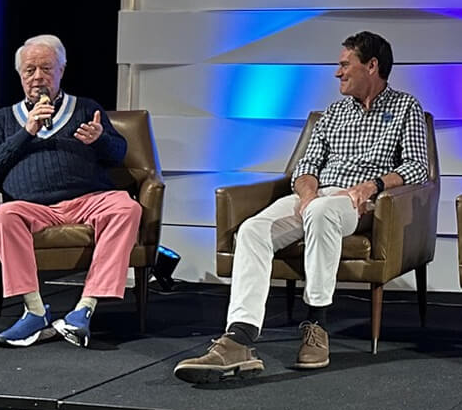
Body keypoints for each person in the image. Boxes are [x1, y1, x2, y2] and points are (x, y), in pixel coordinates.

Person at [175, 31, 430, 382]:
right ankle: (240, 338)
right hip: (316, 196)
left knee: (322, 212)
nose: (337, 73)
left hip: (359, 203)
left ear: (372, 66)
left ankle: (316, 324)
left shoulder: (405, 107)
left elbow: (417, 166)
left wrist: (371, 186)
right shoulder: (334, 113)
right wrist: (307, 194)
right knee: (252, 230)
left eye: (344, 64)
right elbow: (306, 165)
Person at [0, 34, 140, 349]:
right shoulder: (3, 120)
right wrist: (26, 132)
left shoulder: (86, 108)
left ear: (61, 70)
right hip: (33, 207)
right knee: (3, 214)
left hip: (87, 201)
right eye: (30, 70)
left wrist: (100, 139)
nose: (38, 77)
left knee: (126, 207)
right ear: (20, 76)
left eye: (46, 69)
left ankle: (84, 309)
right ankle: (34, 311)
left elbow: (118, 153)